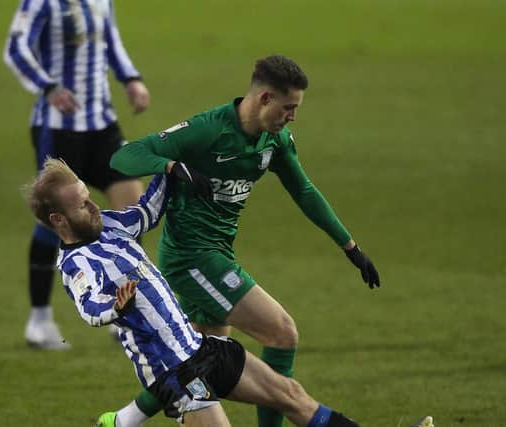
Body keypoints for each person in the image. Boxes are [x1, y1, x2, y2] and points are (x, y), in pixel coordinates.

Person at [24, 157, 400, 427]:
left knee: (291, 396)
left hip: (199, 347)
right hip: (173, 374)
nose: (93, 205)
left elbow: (147, 212)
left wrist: (171, 167)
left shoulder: (109, 226)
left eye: (89, 196)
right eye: (82, 204)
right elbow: (89, 308)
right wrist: (115, 307)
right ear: (58, 220)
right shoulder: (77, 264)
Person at [108, 55, 381, 426]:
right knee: (281, 332)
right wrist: (171, 165)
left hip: (217, 255)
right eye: (289, 107)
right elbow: (125, 157)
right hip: (192, 260)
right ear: (265, 98)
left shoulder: (275, 140)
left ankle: (122, 420)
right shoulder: (207, 131)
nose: (293, 117)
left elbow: (303, 190)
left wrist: (350, 247)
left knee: (197, 370)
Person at [3, 0, 150, 349]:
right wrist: (48, 86)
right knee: (53, 221)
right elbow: (16, 47)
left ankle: (122, 307)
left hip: (101, 123)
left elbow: (109, 38)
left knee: (132, 202)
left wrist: (131, 78)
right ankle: (39, 320)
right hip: (58, 127)